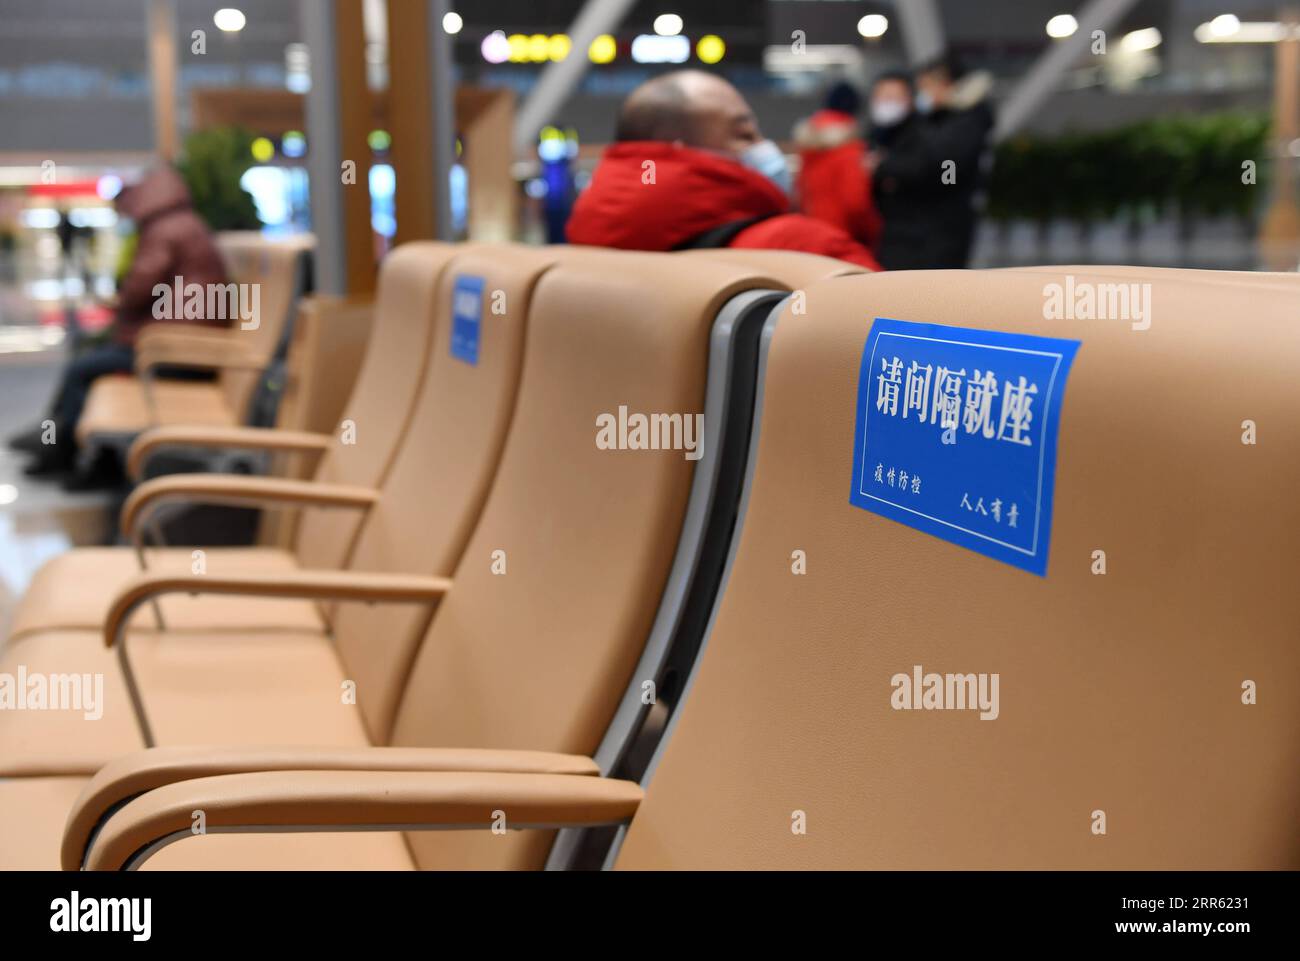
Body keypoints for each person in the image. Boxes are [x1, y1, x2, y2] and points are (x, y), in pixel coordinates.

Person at [9, 166, 229, 483]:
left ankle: (63, 449)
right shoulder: (184, 224)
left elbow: (140, 287)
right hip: (174, 343)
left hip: (177, 351)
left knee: (82, 368)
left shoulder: (166, 229)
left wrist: (120, 302)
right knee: (89, 358)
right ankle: (71, 446)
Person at [566, 70, 881, 270]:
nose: (763, 145)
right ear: (682, 150)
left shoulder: (582, 255)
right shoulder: (805, 249)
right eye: (744, 134)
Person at [871, 55, 994, 270]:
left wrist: (887, 167)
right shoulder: (940, 120)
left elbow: (943, 169)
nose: (923, 95)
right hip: (920, 231)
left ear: (944, 84)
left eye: (925, 87)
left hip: (939, 233)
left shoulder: (963, 122)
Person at [793, 81, 881, 250]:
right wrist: (874, 231)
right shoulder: (849, 149)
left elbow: (800, 194)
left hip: (813, 235)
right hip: (844, 238)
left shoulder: (808, 148)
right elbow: (856, 203)